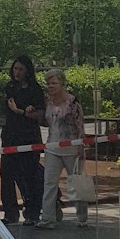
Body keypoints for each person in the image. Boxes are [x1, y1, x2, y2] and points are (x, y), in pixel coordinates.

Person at [37, 66, 88, 229]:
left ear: (62, 84)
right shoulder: (47, 102)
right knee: (49, 184)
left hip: (72, 148)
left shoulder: (72, 102)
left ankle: (82, 217)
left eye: (54, 83)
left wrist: (81, 145)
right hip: (52, 147)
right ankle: (48, 218)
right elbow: (46, 122)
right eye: (48, 83)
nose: (50, 86)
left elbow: (80, 124)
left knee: (76, 183)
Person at [0, 54, 44, 226]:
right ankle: (10, 213)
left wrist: (23, 110)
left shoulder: (35, 89)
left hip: (28, 136)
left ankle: (32, 212)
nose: (17, 72)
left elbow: (40, 114)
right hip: (10, 136)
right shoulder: (10, 87)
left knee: (29, 175)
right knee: (6, 174)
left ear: (27, 71)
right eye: (15, 69)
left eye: (21, 69)